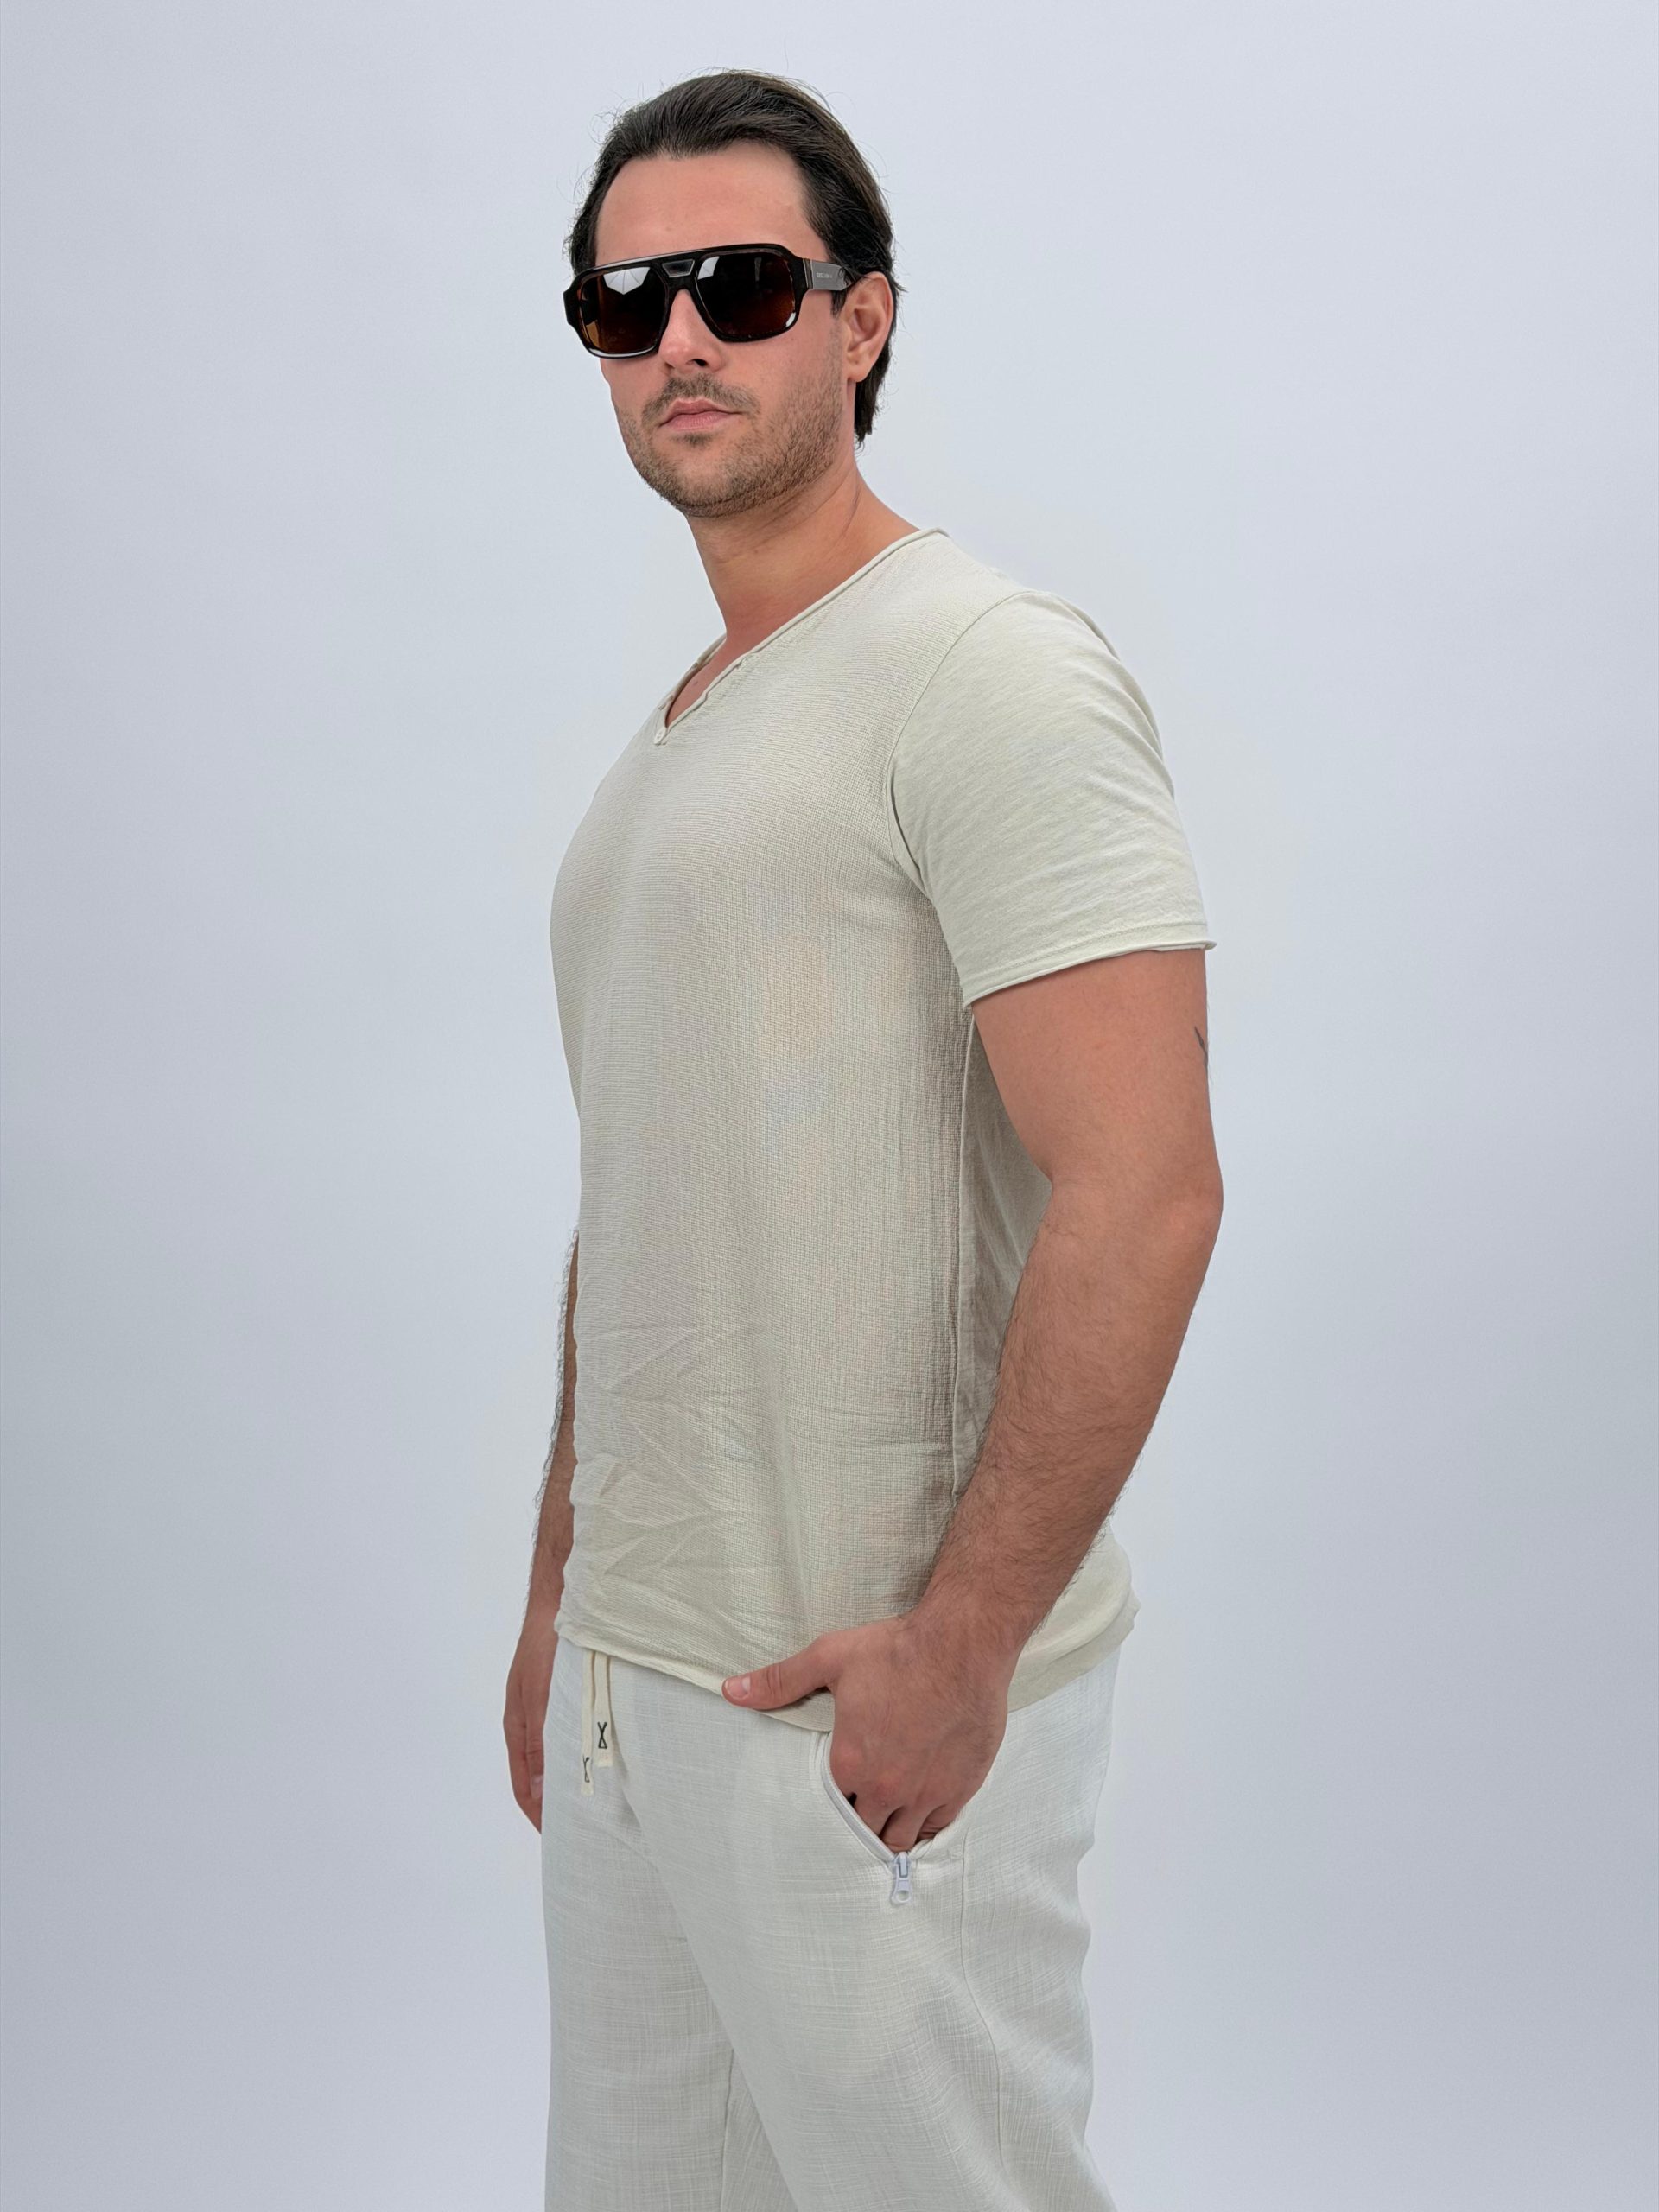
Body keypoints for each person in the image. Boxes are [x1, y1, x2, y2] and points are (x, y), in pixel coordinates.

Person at [503, 67, 1223, 2212]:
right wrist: (564, 1600)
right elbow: (639, 1202)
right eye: (625, 302)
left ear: (864, 318)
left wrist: (963, 1645)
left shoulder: (980, 669)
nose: (679, 338)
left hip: (860, 1712)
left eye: (740, 284)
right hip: (643, 1689)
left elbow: (1147, 1187)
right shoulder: (672, 749)